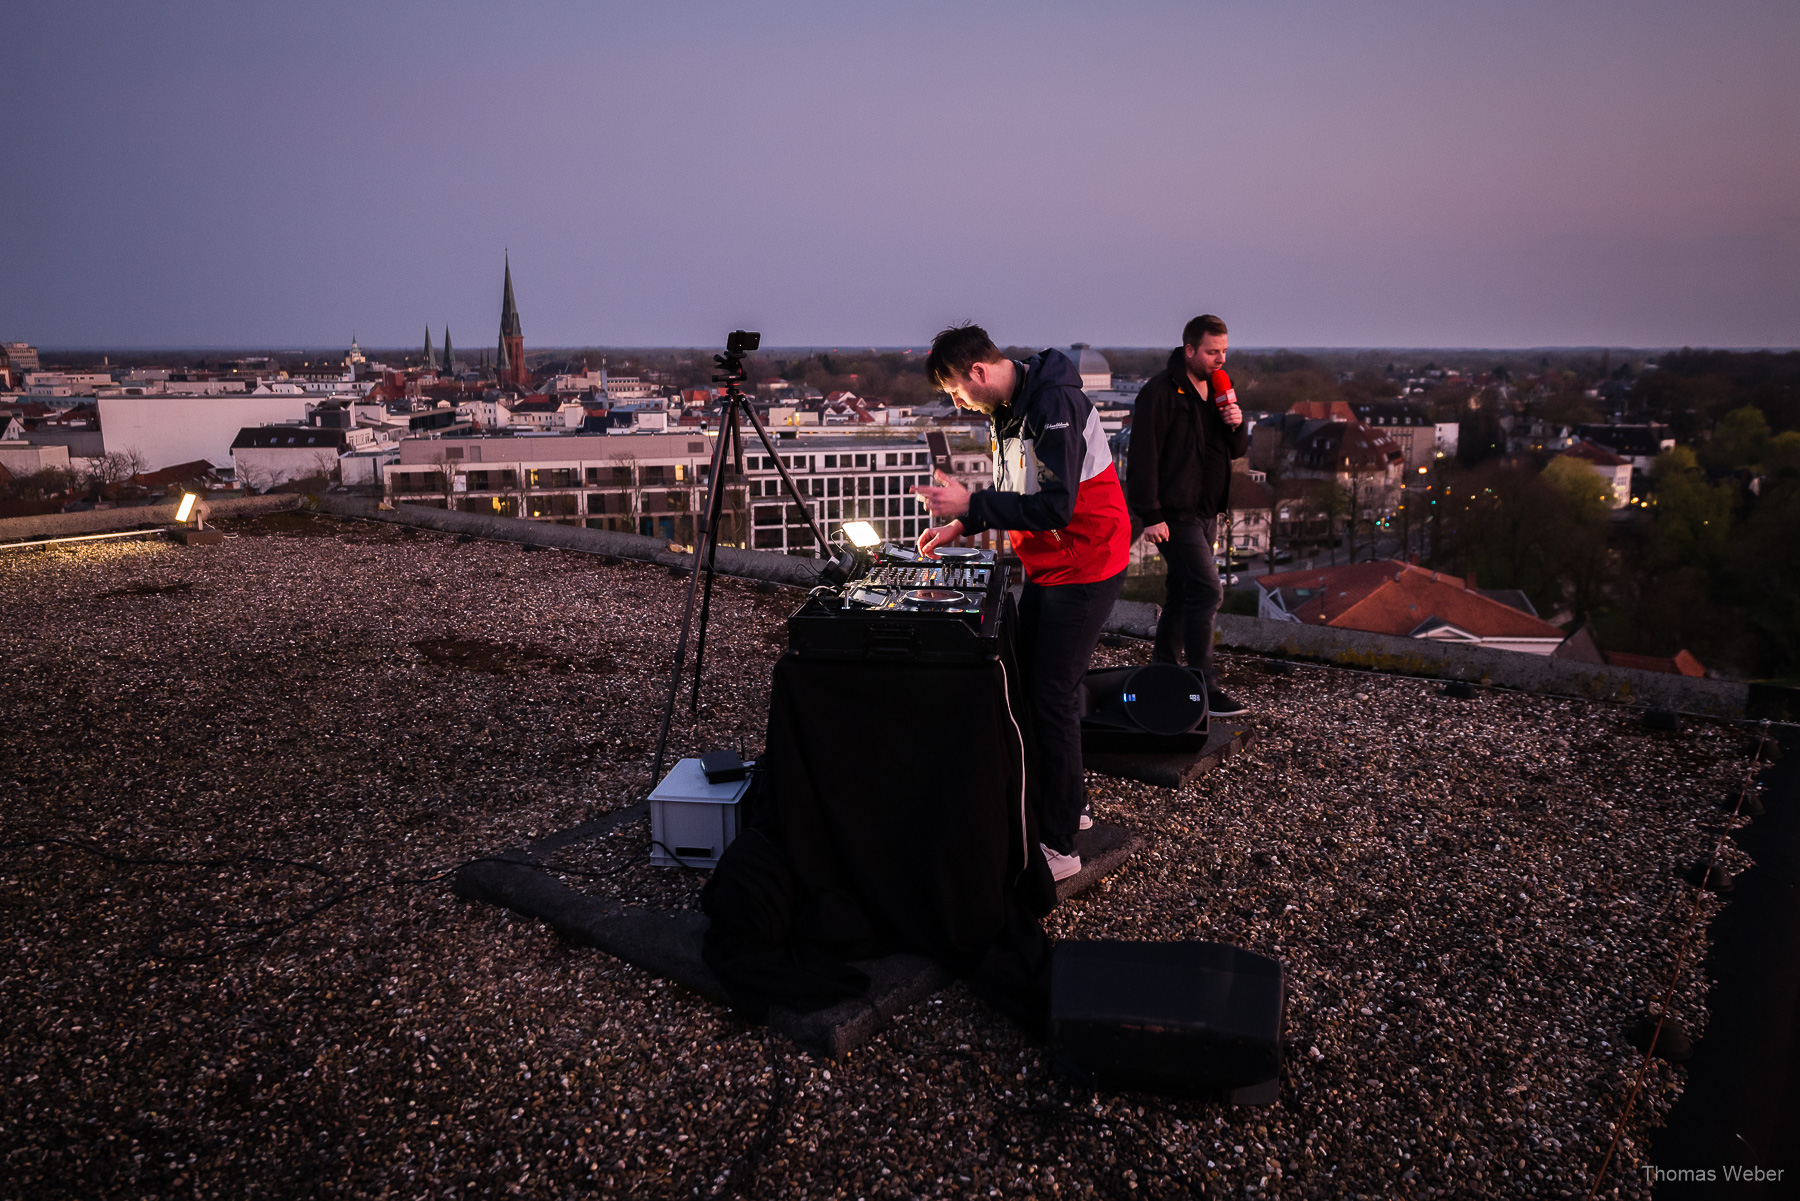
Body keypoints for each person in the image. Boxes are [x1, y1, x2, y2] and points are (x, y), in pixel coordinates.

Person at [913, 324, 1130, 883]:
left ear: (978, 373)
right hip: (1053, 566)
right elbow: (1023, 495)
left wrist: (973, 502)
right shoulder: (1009, 407)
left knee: (1051, 698)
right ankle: (1070, 806)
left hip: (1084, 565)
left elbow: (1056, 508)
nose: (959, 404)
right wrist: (966, 522)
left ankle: (1059, 846)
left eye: (958, 392)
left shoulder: (1054, 403)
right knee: (1041, 691)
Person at [1126, 313, 1251, 717]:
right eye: (1213, 351)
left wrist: (1237, 425)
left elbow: (1233, 452)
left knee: (1182, 593)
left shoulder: (1219, 390)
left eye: (1225, 351)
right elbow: (1142, 456)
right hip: (1173, 514)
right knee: (1207, 591)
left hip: (1206, 511)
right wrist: (1150, 514)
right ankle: (1204, 687)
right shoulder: (1160, 393)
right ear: (1190, 349)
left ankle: (1163, 670)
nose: (1220, 359)